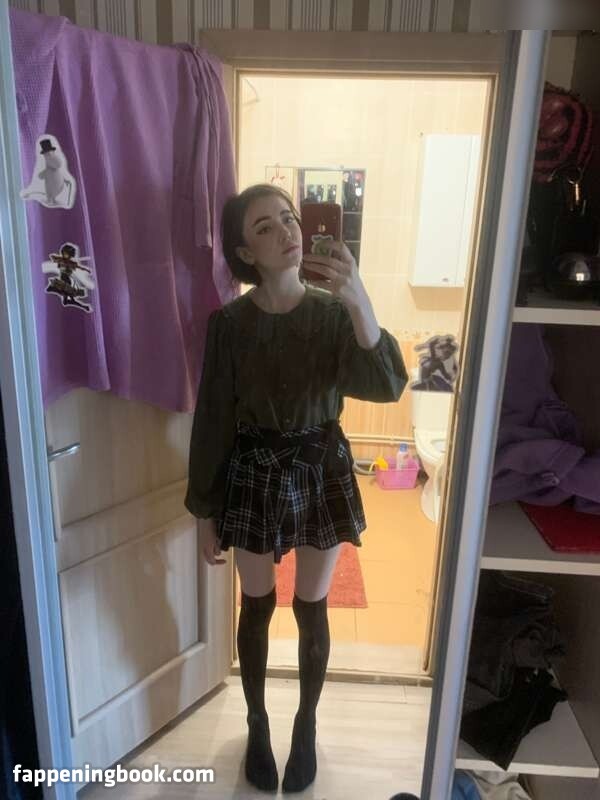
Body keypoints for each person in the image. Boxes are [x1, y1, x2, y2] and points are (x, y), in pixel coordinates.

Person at [185, 183, 408, 793]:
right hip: (253, 472)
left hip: (321, 471)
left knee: (312, 606)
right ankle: (257, 724)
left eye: (289, 218)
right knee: (257, 604)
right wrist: (204, 511)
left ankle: (305, 725)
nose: (287, 230)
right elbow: (213, 419)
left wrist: (358, 297)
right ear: (244, 252)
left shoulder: (335, 314)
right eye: (265, 226)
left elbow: (387, 385)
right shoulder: (228, 325)